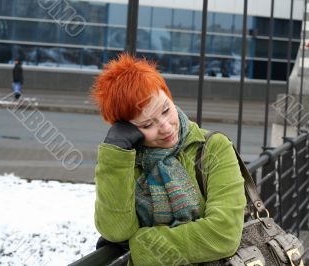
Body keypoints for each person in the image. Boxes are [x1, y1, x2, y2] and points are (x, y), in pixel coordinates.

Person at [91, 54, 246, 265]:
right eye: (147, 125)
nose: (165, 127)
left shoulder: (213, 147)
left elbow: (224, 234)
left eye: (166, 110)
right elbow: (116, 231)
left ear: (169, 97)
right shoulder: (128, 163)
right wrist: (115, 154)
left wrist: (142, 245)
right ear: (126, 128)